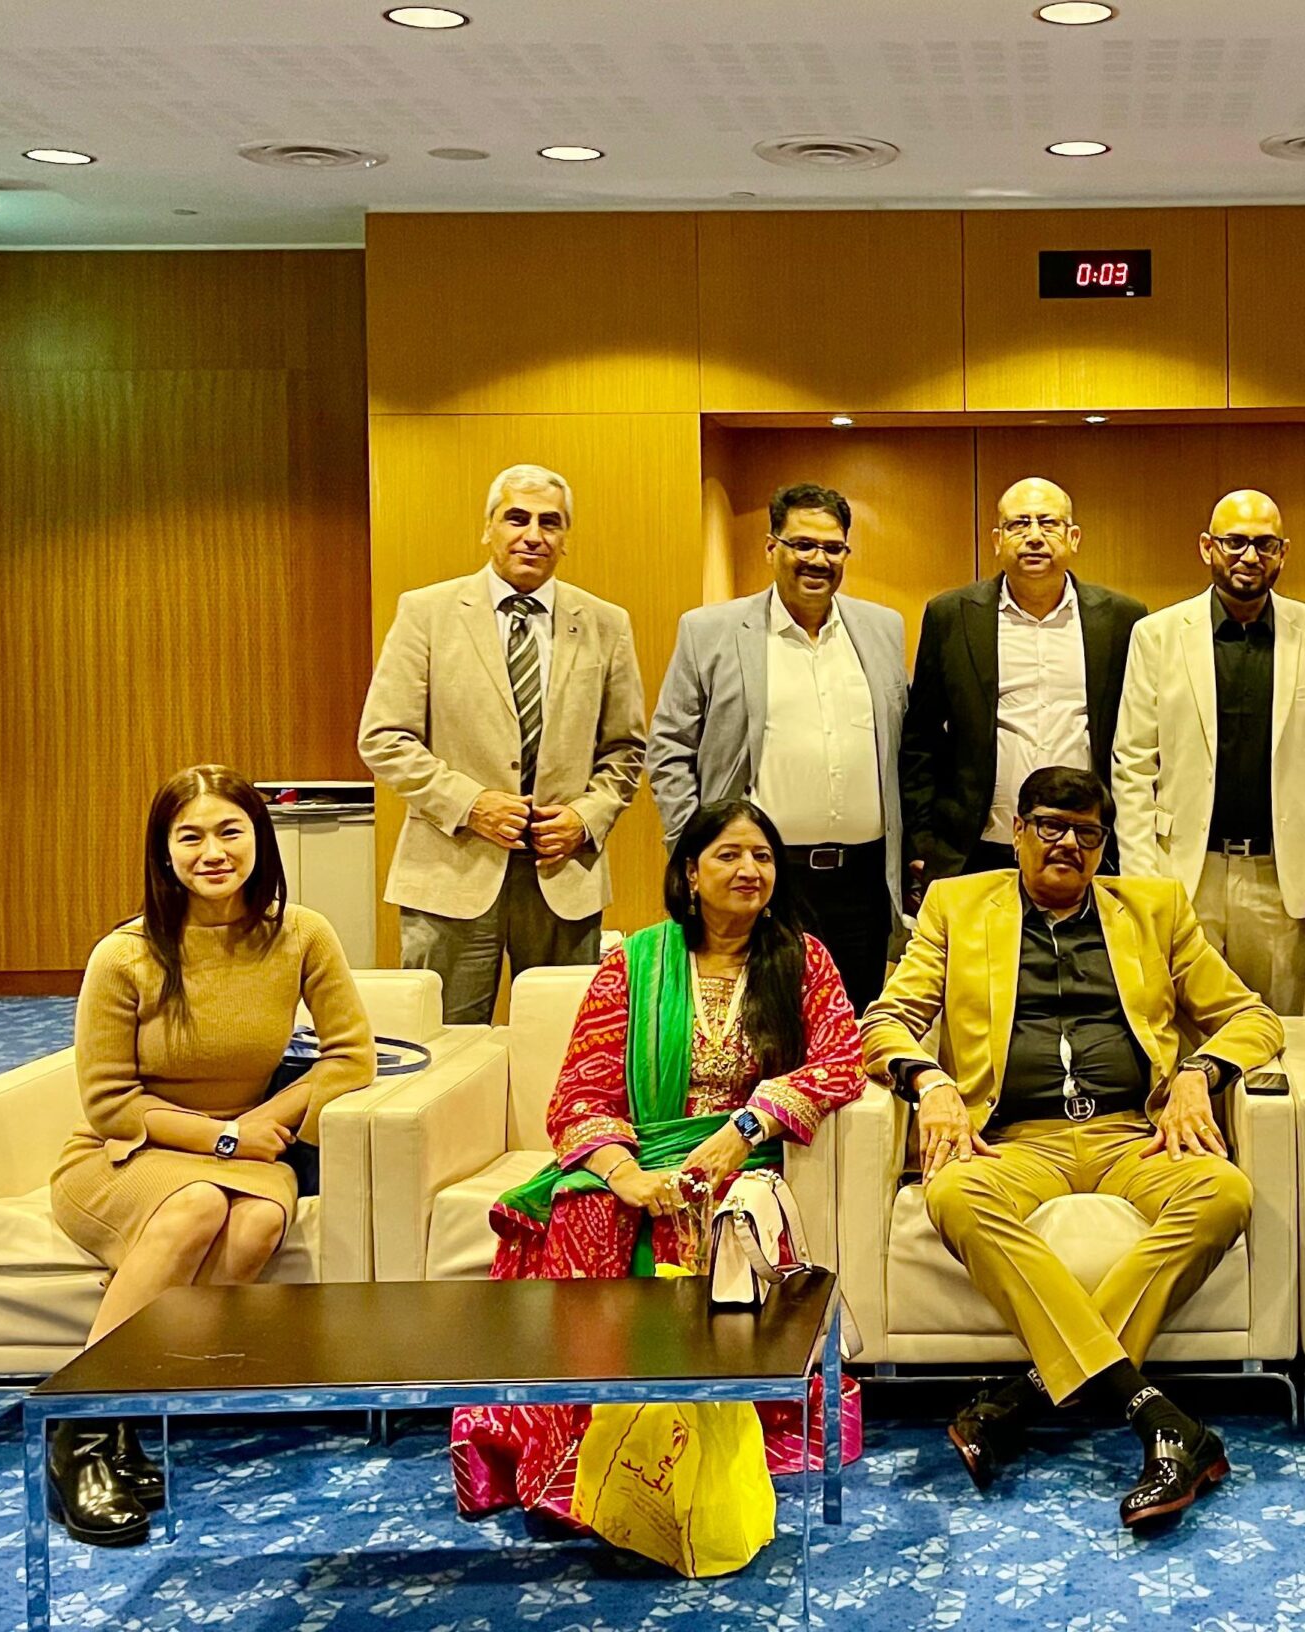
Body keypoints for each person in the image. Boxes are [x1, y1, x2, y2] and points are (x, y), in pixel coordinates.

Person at [859, 766, 1283, 1531]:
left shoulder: (1154, 909)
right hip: (1015, 1140)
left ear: (1102, 845)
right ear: (1018, 831)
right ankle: (1158, 1417)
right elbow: (884, 1022)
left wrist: (1200, 1072)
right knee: (954, 1193)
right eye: (1051, 826)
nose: (1068, 845)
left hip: (1131, 1134)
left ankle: (1021, 1398)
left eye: (1086, 833)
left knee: (1224, 1192)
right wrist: (931, 1082)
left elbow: (1253, 1017)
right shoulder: (958, 906)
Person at [451, 798, 866, 1575]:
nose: (749, 870)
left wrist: (747, 1127)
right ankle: (584, 1450)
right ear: (690, 874)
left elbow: (841, 1061)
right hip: (638, 1157)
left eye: (762, 857)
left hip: (743, 1163)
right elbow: (580, 1093)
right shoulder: (634, 964)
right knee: (585, 1211)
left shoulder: (802, 960)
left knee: (723, 1218)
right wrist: (627, 1175)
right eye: (729, 855)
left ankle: (698, 1441)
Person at [47, 765, 375, 1546]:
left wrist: (262, 1121)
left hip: (252, 1147)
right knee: (196, 1204)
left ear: (261, 840)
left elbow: (351, 1057)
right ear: (164, 854)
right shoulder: (124, 955)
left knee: (255, 1223)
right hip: (128, 1152)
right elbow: (108, 1102)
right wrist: (221, 1138)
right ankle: (80, 1430)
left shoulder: (302, 934)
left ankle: (134, 1415)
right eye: (190, 837)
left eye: (231, 831)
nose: (213, 852)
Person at [358, 463, 647, 1024]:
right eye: (517, 518)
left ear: (565, 538)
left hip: (565, 876)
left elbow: (626, 750)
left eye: (550, 522)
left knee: (564, 1048)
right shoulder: (427, 612)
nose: (533, 535)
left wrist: (586, 818)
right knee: (445, 1048)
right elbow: (384, 736)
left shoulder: (606, 623)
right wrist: (471, 805)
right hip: (451, 874)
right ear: (487, 528)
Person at [648, 482, 909, 1008]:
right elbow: (670, 746)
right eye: (802, 545)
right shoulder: (710, 631)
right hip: (762, 877)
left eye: (832, 548)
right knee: (764, 1021)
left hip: (863, 881)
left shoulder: (883, 629)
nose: (818, 560)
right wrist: (693, 848)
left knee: (852, 1024)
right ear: (772, 548)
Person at [1112, 488, 1305, 1014]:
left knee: (1278, 1029)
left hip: (1281, 879)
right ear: (1207, 547)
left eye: (1264, 545)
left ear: (1282, 553)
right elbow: (1133, 767)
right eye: (1235, 542)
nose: (1250, 556)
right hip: (1184, 873)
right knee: (1177, 1025)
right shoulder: (1156, 635)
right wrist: (1144, 883)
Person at [900, 477, 1147, 887]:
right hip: (977, 848)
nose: (1034, 536)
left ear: (1073, 537)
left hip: (1087, 847)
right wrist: (923, 841)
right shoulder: (952, 616)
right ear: (997, 540)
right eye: (1019, 524)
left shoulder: (1122, 619)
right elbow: (920, 738)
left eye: (1048, 523)